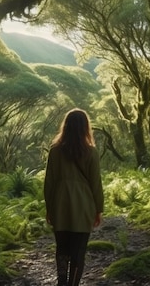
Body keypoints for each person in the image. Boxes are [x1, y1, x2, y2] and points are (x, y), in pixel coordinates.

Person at [44, 108, 104, 286]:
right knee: (78, 252)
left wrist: (49, 208)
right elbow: (96, 183)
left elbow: (49, 183)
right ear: (85, 128)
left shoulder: (55, 151)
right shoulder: (91, 152)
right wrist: (98, 210)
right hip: (84, 206)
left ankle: (62, 283)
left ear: (66, 126)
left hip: (60, 206)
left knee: (62, 249)